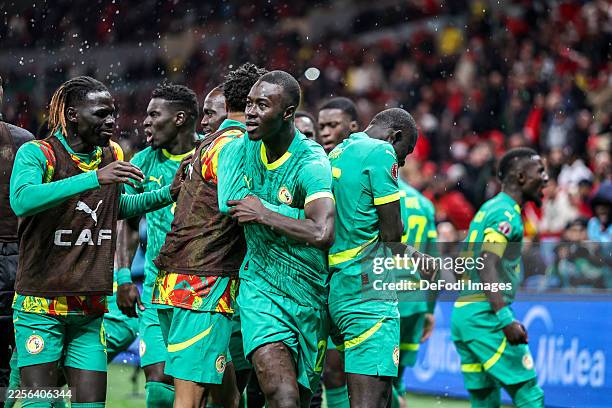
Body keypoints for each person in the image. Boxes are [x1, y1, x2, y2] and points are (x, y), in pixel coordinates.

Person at [9, 75, 184, 407]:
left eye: (113, 113)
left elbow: (113, 209)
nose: (111, 121)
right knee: (38, 403)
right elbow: (22, 200)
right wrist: (93, 177)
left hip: (89, 310)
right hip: (40, 306)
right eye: (101, 114)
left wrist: (167, 194)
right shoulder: (38, 153)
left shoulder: (111, 153)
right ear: (73, 114)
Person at [217, 70, 335, 407]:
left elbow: (323, 232)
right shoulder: (238, 151)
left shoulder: (311, 162)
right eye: (250, 104)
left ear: (287, 113)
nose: (250, 112)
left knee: (299, 397)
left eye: (262, 105)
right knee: (280, 394)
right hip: (260, 288)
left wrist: (266, 213)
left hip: (309, 292)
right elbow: (232, 204)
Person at [150, 63, 266, 408]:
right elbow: (235, 205)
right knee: (190, 399)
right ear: (253, 103)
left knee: (227, 397)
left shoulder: (210, 142)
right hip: (201, 284)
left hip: (180, 279)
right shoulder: (236, 145)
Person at [327, 108, 428, 408]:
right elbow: (392, 233)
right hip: (368, 291)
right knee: (371, 400)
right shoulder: (382, 151)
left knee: (346, 387)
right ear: (394, 136)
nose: (404, 160)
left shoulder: (339, 151)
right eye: (405, 151)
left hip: (337, 286)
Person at [115, 83, 199, 407]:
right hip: (156, 289)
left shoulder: (211, 155)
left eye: (154, 115)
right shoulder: (143, 162)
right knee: (159, 380)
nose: (145, 122)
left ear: (179, 118)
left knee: (204, 385)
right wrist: (124, 277)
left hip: (204, 288)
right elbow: (126, 222)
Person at [451, 147, 548, 407]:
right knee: (529, 392)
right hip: (486, 318)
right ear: (520, 177)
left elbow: (462, 264)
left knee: (485, 400)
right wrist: (504, 318)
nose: (546, 178)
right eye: (540, 171)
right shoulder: (506, 213)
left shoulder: (487, 209)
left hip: (465, 313)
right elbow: (486, 262)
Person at [0, 74, 35, 406]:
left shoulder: (24, 141)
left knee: (26, 359)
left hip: (20, 257)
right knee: (27, 358)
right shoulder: (23, 141)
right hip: (21, 260)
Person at [393, 177, 438, 406]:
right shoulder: (423, 203)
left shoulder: (375, 190)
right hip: (415, 300)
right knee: (397, 379)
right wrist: (429, 310)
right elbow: (434, 262)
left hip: (383, 296)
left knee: (370, 378)